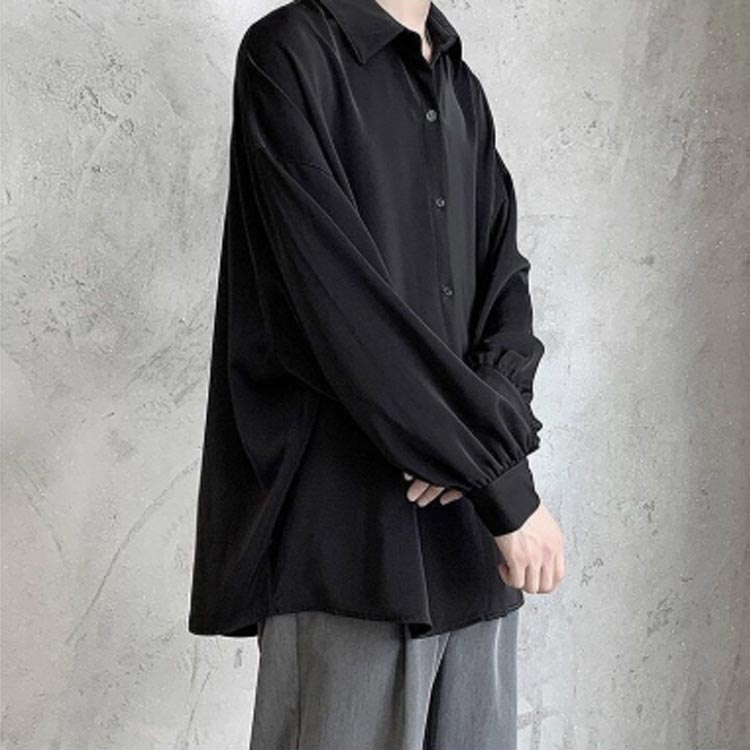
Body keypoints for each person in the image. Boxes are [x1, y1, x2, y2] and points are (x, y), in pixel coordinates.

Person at [187, 0, 565, 747]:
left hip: (473, 551)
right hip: (352, 544)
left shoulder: (460, 85)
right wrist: (499, 480)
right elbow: (336, 302)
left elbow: (505, 288)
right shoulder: (289, 53)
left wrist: (481, 455)